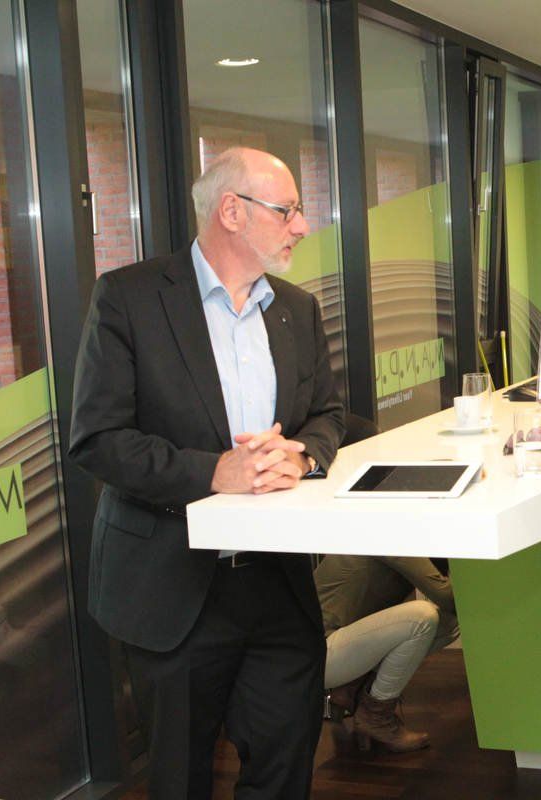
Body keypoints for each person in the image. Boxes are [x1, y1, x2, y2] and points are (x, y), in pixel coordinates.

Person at [69, 147, 345, 799]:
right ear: (231, 211)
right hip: (171, 587)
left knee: (285, 769)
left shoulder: (296, 308)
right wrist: (214, 472)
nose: (302, 226)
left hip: (278, 585)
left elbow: (329, 414)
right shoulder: (129, 299)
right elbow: (98, 439)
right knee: (181, 781)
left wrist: (303, 455)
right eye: (287, 210)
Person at [315, 555, 458, 754]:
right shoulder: (395, 539)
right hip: (315, 653)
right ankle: (375, 717)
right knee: (422, 618)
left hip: (329, 645)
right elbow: (446, 595)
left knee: (448, 622)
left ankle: (351, 690)